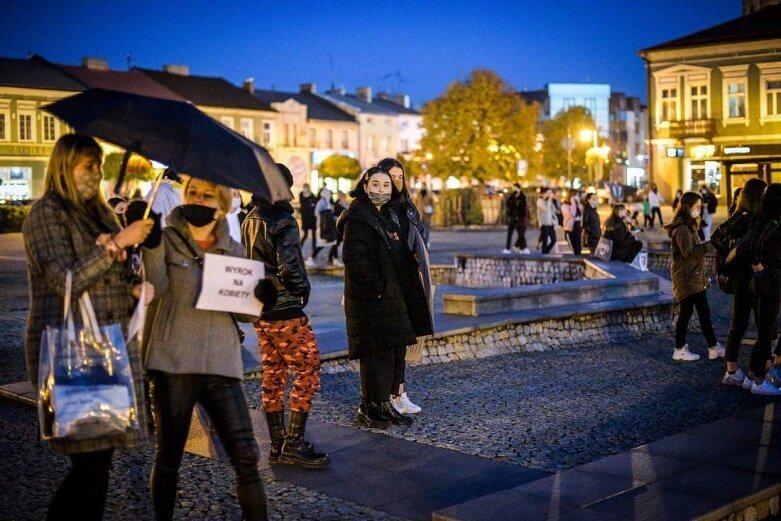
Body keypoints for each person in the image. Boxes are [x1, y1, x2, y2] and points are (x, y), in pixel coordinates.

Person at [22, 133, 155, 520]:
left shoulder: (98, 212)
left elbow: (106, 276)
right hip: (72, 350)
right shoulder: (46, 213)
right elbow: (63, 280)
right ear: (65, 167)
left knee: (98, 464)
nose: (97, 173)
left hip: (107, 348)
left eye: (99, 165)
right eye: (88, 165)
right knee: (90, 465)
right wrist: (116, 245)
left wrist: (133, 288)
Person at [143, 176, 268, 520]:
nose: (197, 199)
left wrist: (259, 298)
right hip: (174, 362)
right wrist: (149, 242)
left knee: (246, 457)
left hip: (221, 363)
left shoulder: (233, 247)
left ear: (223, 203)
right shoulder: (166, 238)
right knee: (168, 458)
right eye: (192, 192)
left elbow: (244, 315)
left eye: (207, 194)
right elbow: (156, 286)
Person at [242, 163, 330, 468]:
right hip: (285, 307)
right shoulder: (282, 220)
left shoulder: (250, 217)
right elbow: (290, 265)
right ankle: (293, 443)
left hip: (260, 307)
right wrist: (302, 290)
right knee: (308, 368)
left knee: (274, 372)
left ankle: (278, 445)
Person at [337, 167, 419, 428]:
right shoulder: (357, 216)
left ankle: (384, 404)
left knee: (392, 353)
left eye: (386, 185)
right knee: (375, 356)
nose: (382, 189)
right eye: (376, 184)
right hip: (372, 299)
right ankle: (369, 407)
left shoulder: (388, 215)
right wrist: (379, 286)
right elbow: (355, 259)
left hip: (393, 298)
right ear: (364, 184)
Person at [379, 157, 433, 415]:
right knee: (392, 341)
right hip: (390, 282)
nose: (396, 182)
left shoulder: (408, 207)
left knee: (404, 340)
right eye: (391, 177)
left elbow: (420, 237)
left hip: (409, 279)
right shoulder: (379, 209)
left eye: (400, 177)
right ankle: (388, 395)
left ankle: (399, 392)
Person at [710, 179, 769, 390]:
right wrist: (732, 258)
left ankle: (752, 369)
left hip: (748, 276)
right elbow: (716, 237)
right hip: (743, 276)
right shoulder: (743, 217)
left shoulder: (751, 217)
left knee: (758, 321)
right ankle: (732, 371)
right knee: (740, 322)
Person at [665, 191, 724, 362]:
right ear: (687, 207)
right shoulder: (682, 229)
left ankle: (712, 348)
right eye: (697, 206)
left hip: (692, 276)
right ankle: (680, 349)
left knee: (701, 312)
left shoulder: (689, 226)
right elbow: (689, 253)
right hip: (687, 278)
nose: (700, 209)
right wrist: (711, 245)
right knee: (688, 312)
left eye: (700, 206)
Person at [746, 184, 781, 395]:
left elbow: (752, 243)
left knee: (764, 330)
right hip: (771, 279)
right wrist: (757, 261)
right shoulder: (776, 222)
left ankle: (753, 375)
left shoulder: (760, 218)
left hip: (760, 280)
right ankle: (760, 382)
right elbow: (757, 246)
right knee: (766, 331)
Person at [307, 188, 339, 267]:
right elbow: (316, 213)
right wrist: (324, 217)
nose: (330, 195)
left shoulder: (327, 202)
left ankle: (333, 259)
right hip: (322, 228)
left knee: (334, 243)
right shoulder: (321, 202)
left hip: (327, 227)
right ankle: (310, 259)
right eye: (329, 194)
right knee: (322, 245)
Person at [503, 183, 529, 254]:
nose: (514, 190)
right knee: (509, 233)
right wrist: (511, 198)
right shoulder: (512, 196)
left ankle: (523, 247)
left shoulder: (523, 197)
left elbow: (522, 206)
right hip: (512, 217)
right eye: (513, 188)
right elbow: (508, 204)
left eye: (515, 188)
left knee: (521, 233)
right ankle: (507, 248)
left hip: (520, 217)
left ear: (519, 188)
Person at [561, 189, 583, 255]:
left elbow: (582, 211)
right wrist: (573, 203)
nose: (576, 197)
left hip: (578, 227)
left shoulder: (576, 204)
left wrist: (578, 203)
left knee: (579, 247)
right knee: (574, 247)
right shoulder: (565, 206)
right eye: (575, 195)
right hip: (570, 229)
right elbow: (572, 214)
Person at [298, 183, 317, 255]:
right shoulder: (301, 195)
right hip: (305, 217)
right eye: (304, 187)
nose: (304, 188)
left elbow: (315, 204)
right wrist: (310, 205)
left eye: (305, 187)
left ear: (308, 188)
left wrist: (311, 205)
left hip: (312, 217)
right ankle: (299, 248)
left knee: (314, 235)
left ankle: (314, 249)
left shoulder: (312, 195)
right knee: (305, 235)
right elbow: (303, 205)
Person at [536, 188, 557, 254]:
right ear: (544, 193)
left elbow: (553, 211)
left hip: (550, 223)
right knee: (545, 241)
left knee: (554, 239)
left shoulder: (549, 201)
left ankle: (545, 251)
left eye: (551, 193)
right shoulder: (540, 201)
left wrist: (552, 204)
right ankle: (544, 253)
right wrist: (549, 201)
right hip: (543, 223)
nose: (550, 194)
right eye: (548, 193)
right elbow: (545, 210)